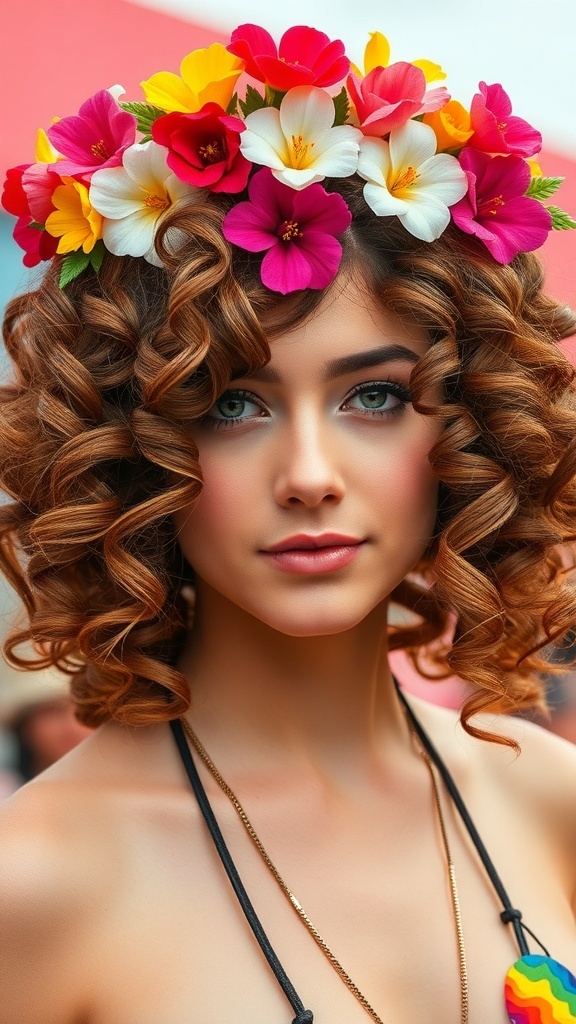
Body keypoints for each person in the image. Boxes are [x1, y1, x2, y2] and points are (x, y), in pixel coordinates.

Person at [0, 22, 575, 1024]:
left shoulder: (552, 803)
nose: (309, 475)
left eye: (375, 399)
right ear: (133, 445)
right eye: (230, 405)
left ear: (471, 422)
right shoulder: (41, 886)